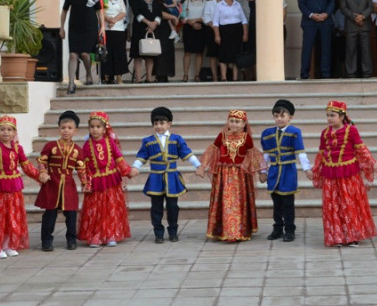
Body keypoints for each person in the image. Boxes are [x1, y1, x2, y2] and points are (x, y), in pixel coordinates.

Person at [311, 100, 377, 247]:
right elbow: (321, 154)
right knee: (333, 205)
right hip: (331, 174)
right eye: (328, 115)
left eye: (333, 115)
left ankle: (352, 236)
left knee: (349, 204)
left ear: (342, 116)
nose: (329, 118)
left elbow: (360, 149)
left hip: (348, 174)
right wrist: (316, 170)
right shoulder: (325, 133)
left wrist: (372, 163)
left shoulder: (351, 130)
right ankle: (337, 236)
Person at [133, 106, 202, 243]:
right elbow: (141, 156)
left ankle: (173, 231)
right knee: (156, 207)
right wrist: (135, 167)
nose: (158, 126)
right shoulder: (147, 141)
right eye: (156, 123)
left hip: (172, 177)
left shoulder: (177, 139)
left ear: (169, 124)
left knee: (173, 207)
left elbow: (187, 153)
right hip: (156, 178)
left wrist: (198, 165)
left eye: (162, 123)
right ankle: (158, 233)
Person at [0, 115, 38, 259]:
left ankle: (8, 245)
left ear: (14, 133)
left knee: (11, 217)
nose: (6, 132)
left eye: (9, 130)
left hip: (14, 188)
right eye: (3, 129)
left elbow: (26, 166)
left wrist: (39, 176)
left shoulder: (18, 148)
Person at [199, 109, 262, 242]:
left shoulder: (246, 138)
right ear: (228, 122)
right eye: (232, 121)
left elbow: (253, 155)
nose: (234, 124)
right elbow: (212, 151)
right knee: (225, 201)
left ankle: (238, 231)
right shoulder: (221, 136)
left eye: (237, 122)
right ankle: (224, 230)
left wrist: (261, 172)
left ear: (244, 124)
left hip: (241, 177)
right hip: (223, 176)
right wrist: (202, 166)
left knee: (238, 202)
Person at [79, 111, 138, 248]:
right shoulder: (87, 145)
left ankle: (111, 234)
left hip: (111, 180)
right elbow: (83, 166)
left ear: (105, 128)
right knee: (96, 210)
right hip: (96, 182)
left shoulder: (110, 142)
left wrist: (128, 171)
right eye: (92, 127)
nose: (95, 129)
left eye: (98, 127)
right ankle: (96, 235)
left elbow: (119, 159)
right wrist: (85, 181)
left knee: (111, 208)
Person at [259, 99, 311, 242]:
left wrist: (307, 169)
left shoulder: (294, 132)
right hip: (274, 172)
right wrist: (263, 171)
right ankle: (277, 228)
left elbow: (300, 152)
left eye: (282, 116)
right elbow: (266, 154)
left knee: (288, 203)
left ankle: (289, 229)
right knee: (276, 203)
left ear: (290, 117)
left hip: (288, 171)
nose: (279, 119)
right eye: (276, 116)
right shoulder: (267, 133)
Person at [34, 111, 85, 252]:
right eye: (63, 128)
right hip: (52, 184)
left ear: (75, 131)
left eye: (69, 128)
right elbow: (41, 161)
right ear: (59, 129)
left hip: (68, 184)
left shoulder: (78, 150)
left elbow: (81, 169)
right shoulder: (50, 146)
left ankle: (71, 239)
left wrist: (86, 183)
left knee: (71, 214)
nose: (66, 131)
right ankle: (46, 241)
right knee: (50, 213)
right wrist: (43, 172)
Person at [61, 0, 105, 94]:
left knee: (85, 53)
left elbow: (99, 11)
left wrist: (102, 27)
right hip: (75, 27)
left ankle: (88, 74)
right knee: (73, 54)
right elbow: (64, 11)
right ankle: (71, 83)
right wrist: (61, 27)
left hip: (90, 27)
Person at [298, 0, 335, 80]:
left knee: (325, 48)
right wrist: (311, 15)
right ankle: (304, 74)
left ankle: (325, 74)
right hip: (309, 22)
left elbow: (332, 1)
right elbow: (301, 4)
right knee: (307, 48)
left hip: (325, 21)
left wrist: (326, 14)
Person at [338, 0, 374, 78]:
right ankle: (351, 73)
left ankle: (367, 72)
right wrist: (355, 17)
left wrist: (362, 16)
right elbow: (343, 7)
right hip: (351, 25)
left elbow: (370, 6)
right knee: (350, 50)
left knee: (366, 50)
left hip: (364, 24)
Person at [212, 0, 249, 82]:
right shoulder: (219, 6)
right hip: (224, 32)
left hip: (237, 31)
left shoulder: (238, 5)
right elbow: (215, 22)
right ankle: (224, 77)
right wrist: (217, 36)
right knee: (224, 55)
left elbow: (244, 21)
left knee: (236, 55)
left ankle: (235, 77)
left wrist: (245, 34)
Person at [129, 0, 163, 83]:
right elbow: (137, 14)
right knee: (138, 55)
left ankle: (149, 77)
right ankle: (138, 78)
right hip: (139, 29)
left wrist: (154, 24)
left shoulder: (156, 2)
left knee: (150, 54)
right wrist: (148, 23)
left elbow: (159, 15)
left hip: (153, 30)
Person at [101, 0, 129, 84]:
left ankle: (119, 77)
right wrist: (108, 19)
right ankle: (107, 75)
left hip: (118, 29)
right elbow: (100, 12)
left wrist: (114, 20)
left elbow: (123, 12)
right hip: (106, 29)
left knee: (119, 53)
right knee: (107, 53)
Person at [180, 0, 208, 82]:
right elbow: (182, 16)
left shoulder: (205, 2)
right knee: (187, 52)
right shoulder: (186, 2)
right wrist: (191, 23)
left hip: (201, 28)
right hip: (188, 28)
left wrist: (197, 20)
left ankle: (197, 75)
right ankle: (185, 75)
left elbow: (207, 16)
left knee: (199, 53)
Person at [202, 0, 224, 82]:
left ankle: (224, 76)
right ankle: (215, 77)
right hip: (211, 30)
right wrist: (215, 28)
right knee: (213, 55)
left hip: (225, 30)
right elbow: (206, 18)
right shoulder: (209, 3)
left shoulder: (226, 2)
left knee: (223, 54)